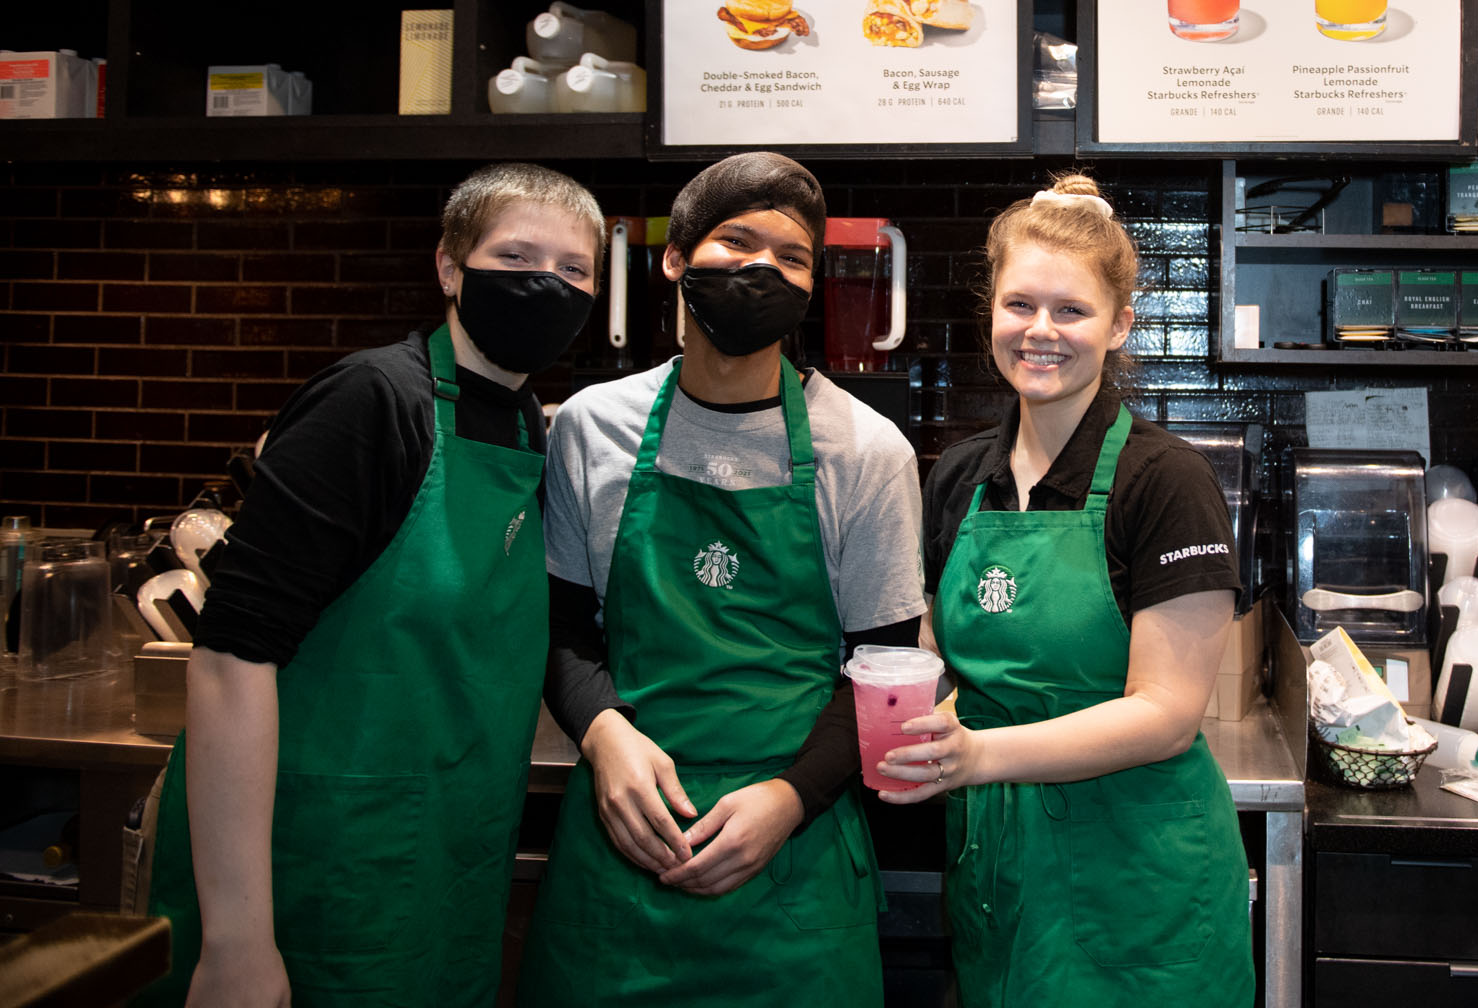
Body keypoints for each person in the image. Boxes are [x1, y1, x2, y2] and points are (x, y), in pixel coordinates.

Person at [144, 163, 606, 1008]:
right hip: (312, 871)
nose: (546, 283)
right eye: (515, 255)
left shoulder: (523, 418)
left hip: (441, 865)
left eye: (574, 269)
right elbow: (228, 659)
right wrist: (239, 942)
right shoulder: (372, 401)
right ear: (448, 267)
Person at [519, 152, 924, 1008]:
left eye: (792, 257)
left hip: (794, 870)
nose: (762, 270)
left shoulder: (866, 449)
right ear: (674, 259)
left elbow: (887, 678)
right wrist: (604, 736)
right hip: (620, 851)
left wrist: (788, 797)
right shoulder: (593, 427)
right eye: (736, 242)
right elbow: (559, 627)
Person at [879, 172, 1255, 1007]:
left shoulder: (1164, 481)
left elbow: (1165, 714)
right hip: (999, 868)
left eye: (1071, 311)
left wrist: (977, 755)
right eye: (1019, 305)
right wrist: (926, 709)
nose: (1039, 331)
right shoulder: (961, 477)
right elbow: (941, 649)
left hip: (1137, 880)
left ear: (1119, 324)